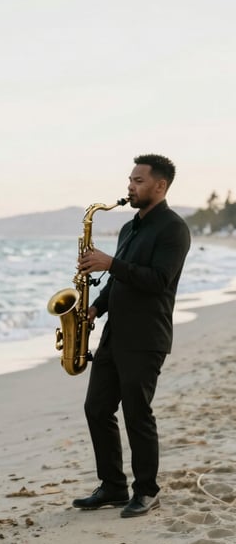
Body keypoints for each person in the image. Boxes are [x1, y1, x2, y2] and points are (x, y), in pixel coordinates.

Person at [72, 153, 191, 518]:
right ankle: (113, 486)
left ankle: (147, 490)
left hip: (145, 338)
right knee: (97, 409)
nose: (130, 187)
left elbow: (158, 281)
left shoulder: (173, 228)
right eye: (130, 179)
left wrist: (111, 263)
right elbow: (117, 281)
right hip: (114, 334)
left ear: (160, 185)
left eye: (139, 181)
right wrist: (95, 308)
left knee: (137, 414)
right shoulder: (129, 228)